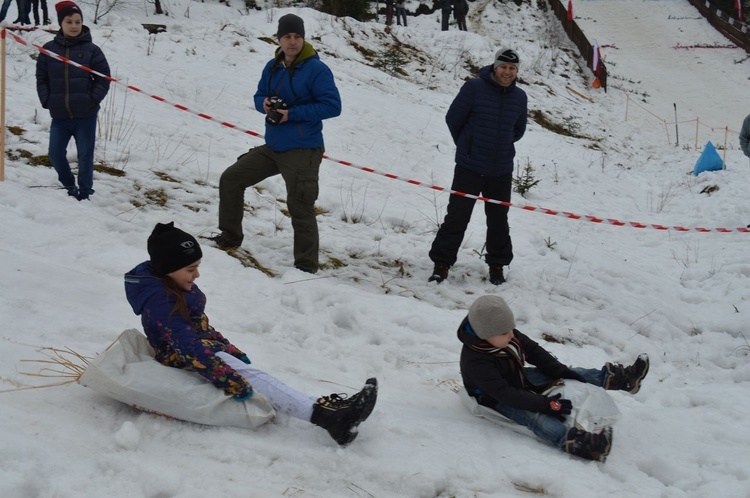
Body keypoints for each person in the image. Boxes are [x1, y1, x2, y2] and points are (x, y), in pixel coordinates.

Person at [125, 222, 378, 446]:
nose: (197, 274)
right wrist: (225, 376)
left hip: (200, 349)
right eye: (191, 269)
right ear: (168, 268)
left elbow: (199, 326)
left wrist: (227, 347)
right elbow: (186, 344)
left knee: (260, 378)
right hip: (183, 357)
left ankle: (329, 409)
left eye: (197, 267)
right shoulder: (160, 301)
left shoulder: (172, 284)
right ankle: (329, 418)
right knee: (255, 379)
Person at [211, 14, 341, 274]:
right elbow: (259, 94)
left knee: (300, 205)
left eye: (297, 36)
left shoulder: (317, 69)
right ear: (279, 39)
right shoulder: (272, 66)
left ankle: (305, 267)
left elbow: (332, 106)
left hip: (304, 149)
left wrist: (292, 114)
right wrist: (265, 104)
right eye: (287, 36)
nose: (292, 42)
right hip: (273, 146)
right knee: (231, 178)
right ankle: (230, 237)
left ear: (303, 38)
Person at [458, 295, 649, 462]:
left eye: (512, 329)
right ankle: (581, 444)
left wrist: (560, 371)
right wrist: (546, 404)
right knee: (534, 417)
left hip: (515, 376)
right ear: (485, 334)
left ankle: (621, 379)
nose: (511, 334)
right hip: (494, 397)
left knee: (569, 371)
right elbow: (506, 394)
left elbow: (533, 351)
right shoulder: (475, 361)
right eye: (505, 332)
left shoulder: (504, 333)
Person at [428, 48, 527, 285]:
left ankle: (497, 266)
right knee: (457, 217)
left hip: (501, 169)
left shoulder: (520, 96)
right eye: (503, 66)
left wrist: (501, 146)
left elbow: (518, 129)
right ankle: (441, 264)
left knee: (498, 220)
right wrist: (467, 145)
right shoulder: (474, 88)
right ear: (495, 67)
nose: (507, 72)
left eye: (512, 68)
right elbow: (453, 118)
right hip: (469, 166)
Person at [35, 1, 110, 201]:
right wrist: (47, 100)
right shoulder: (48, 50)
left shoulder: (92, 50)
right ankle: (69, 185)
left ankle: (85, 193)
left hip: (85, 115)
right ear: (61, 23)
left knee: (85, 157)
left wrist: (91, 99)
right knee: (55, 154)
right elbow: (42, 78)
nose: (74, 26)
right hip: (60, 116)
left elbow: (103, 78)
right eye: (69, 21)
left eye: (78, 21)